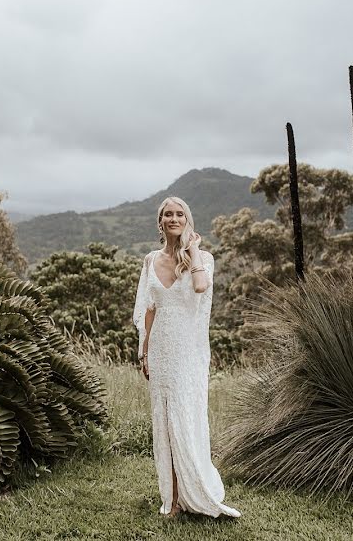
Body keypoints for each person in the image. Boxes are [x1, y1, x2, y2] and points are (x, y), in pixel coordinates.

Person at [132, 196, 241, 519]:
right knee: (164, 422)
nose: (174, 218)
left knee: (182, 418)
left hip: (187, 350)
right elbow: (148, 309)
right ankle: (173, 497)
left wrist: (192, 252)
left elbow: (200, 286)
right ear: (160, 221)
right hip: (161, 349)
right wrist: (144, 352)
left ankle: (193, 492)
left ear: (187, 220)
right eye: (168, 214)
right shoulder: (150, 260)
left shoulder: (203, 257)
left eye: (180, 214)